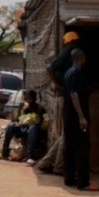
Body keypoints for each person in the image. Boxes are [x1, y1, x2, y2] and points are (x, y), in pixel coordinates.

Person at [38, 31, 81, 175]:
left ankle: (46, 162)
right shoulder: (69, 52)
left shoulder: (68, 53)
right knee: (66, 134)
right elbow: (50, 68)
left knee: (64, 133)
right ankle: (58, 166)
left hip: (64, 96)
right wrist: (58, 83)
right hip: (66, 97)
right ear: (73, 42)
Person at [62, 48, 99, 191]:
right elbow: (74, 94)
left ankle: (69, 178)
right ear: (82, 58)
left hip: (68, 117)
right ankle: (84, 182)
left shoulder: (68, 73)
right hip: (76, 118)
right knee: (82, 149)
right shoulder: (77, 73)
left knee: (70, 148)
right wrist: (82, 117)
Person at [1, 90, 45, 165]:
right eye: (27, 99)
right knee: (10, 126)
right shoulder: (26, 109)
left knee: (32, 128)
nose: (28, 100)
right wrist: (20, 111)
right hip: (25, 130)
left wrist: (29, 123)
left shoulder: (39, 109)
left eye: (29, 98)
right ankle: (5, 151)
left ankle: (29, 156)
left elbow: (39, 123)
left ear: (33, 99)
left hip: (35, 133)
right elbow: (20, 120)